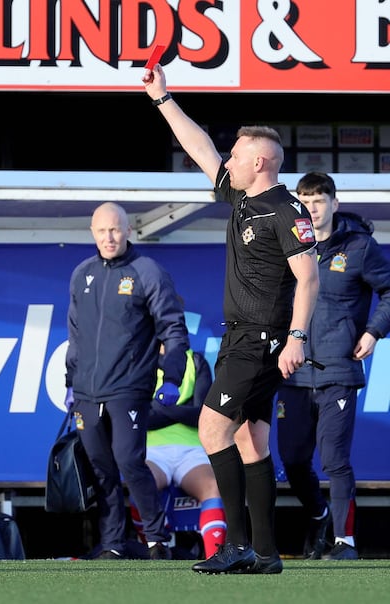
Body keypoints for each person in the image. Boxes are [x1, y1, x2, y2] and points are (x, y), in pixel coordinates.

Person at [143, 65, 320, 574]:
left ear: (260, 162)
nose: (228, 161)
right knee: (250, 440)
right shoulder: (242, 196)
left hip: (263, 341)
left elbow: (308, 279)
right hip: (240, 337)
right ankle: (265, 552)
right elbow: (199, 147)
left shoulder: (287, 210)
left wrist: (296, 338)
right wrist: (163, 99)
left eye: (237, 155)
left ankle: (236, 545)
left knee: (212, 427)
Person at [65, 201, 190, 561]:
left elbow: (173, 328)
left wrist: (173, 377)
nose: (109, 237)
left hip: (129, 387)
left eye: (115, 229)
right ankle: (113, 543)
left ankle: (156, 539)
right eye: (102, 230)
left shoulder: (147, 271)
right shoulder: (81, 274)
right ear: (92, 232)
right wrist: (70, 381)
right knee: (101, 469)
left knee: (129, 462)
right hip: (88, 390)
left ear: (128, 231)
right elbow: (75, 334)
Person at [276, 172, 390, 561]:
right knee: (291, 459)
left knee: (335, 459)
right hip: (293, 371)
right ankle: (319, 514)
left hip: (338, 370)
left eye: (319, 200)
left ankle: (345, 543)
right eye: (305, 201)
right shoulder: (287, 246)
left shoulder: (359, 247)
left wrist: (374, 332)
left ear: (334, 204)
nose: (312, 207)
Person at [130, 344, 227, 559]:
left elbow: (201, 414)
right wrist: (181, 411)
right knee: (139, 485)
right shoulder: (142, 359)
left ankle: (216, 559)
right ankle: (156, 548)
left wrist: (161, 410)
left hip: (192, 451)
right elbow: (141, 416)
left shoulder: (196, 361)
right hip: (152, 451)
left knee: (213, 488)